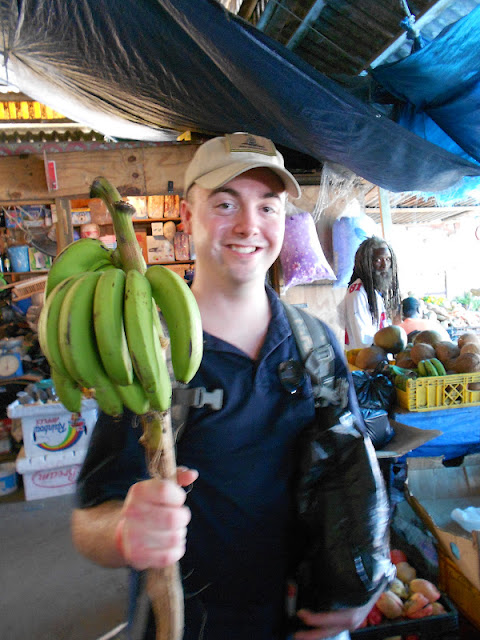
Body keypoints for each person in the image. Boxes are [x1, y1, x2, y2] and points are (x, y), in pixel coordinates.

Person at [71, 133, 391, 640]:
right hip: (191, 626)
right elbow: (89, 519)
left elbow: (350, 470)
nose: (248, 225)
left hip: (303, 623)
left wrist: (363, 578)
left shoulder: (316, 345)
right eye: (225, 204)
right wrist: (124, 531)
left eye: (267, 207)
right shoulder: (148, 356)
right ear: (186, 215)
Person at [344, 236, 401, 349]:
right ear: (366, 263)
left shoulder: (373, 292)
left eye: (388, 259)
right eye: (378, 260)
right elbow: (364, 341)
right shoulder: (358, 294)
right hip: (364, 358)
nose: (385, 265)